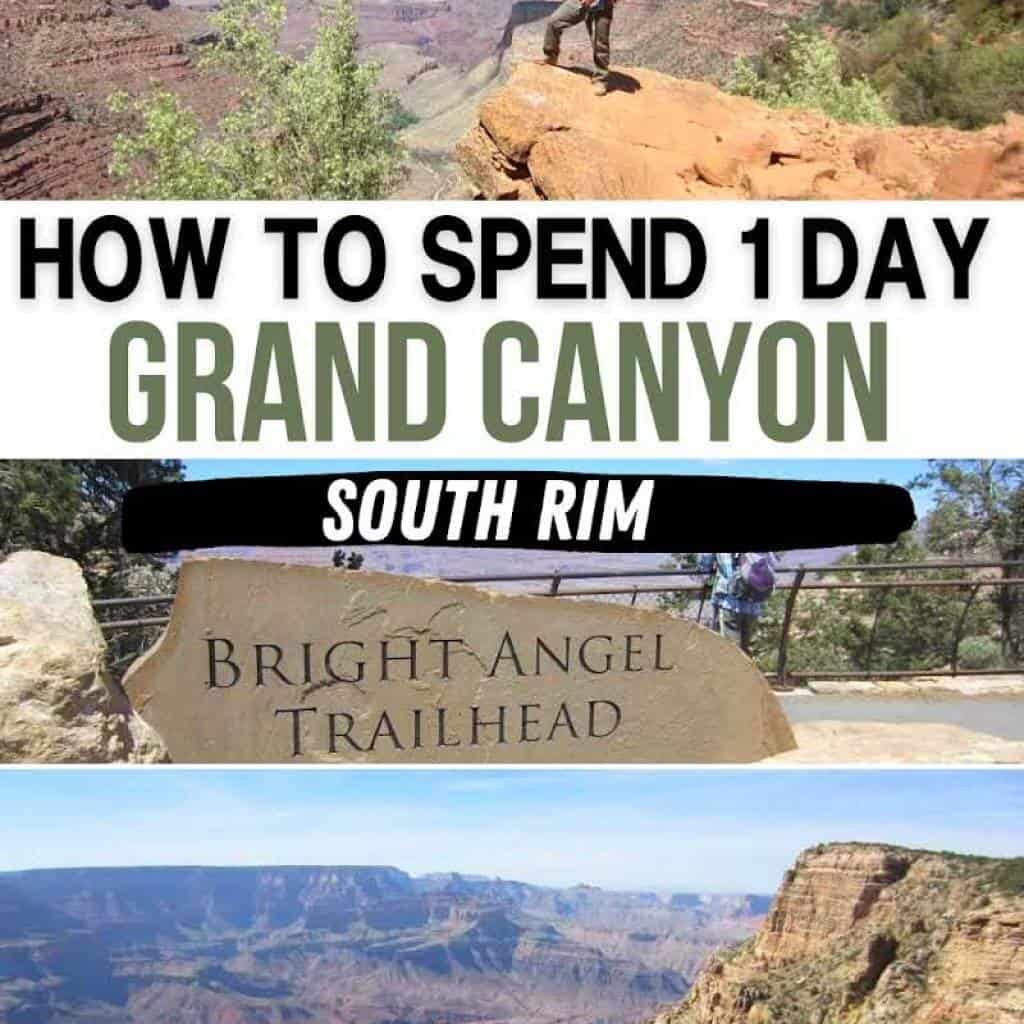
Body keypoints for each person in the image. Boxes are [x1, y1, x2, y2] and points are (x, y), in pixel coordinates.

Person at [696, 552, 778, 655]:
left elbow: (704, 567)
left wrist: (706, 578)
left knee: (730, 652)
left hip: (728, 602)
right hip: (754, 603)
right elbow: (772, 564)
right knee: (747, 651)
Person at [540, 0, 615, 96]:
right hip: (579, 2)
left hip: (602, 6)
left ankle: (601, 79)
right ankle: (551, 56)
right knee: (554, 22)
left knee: (600, 42)